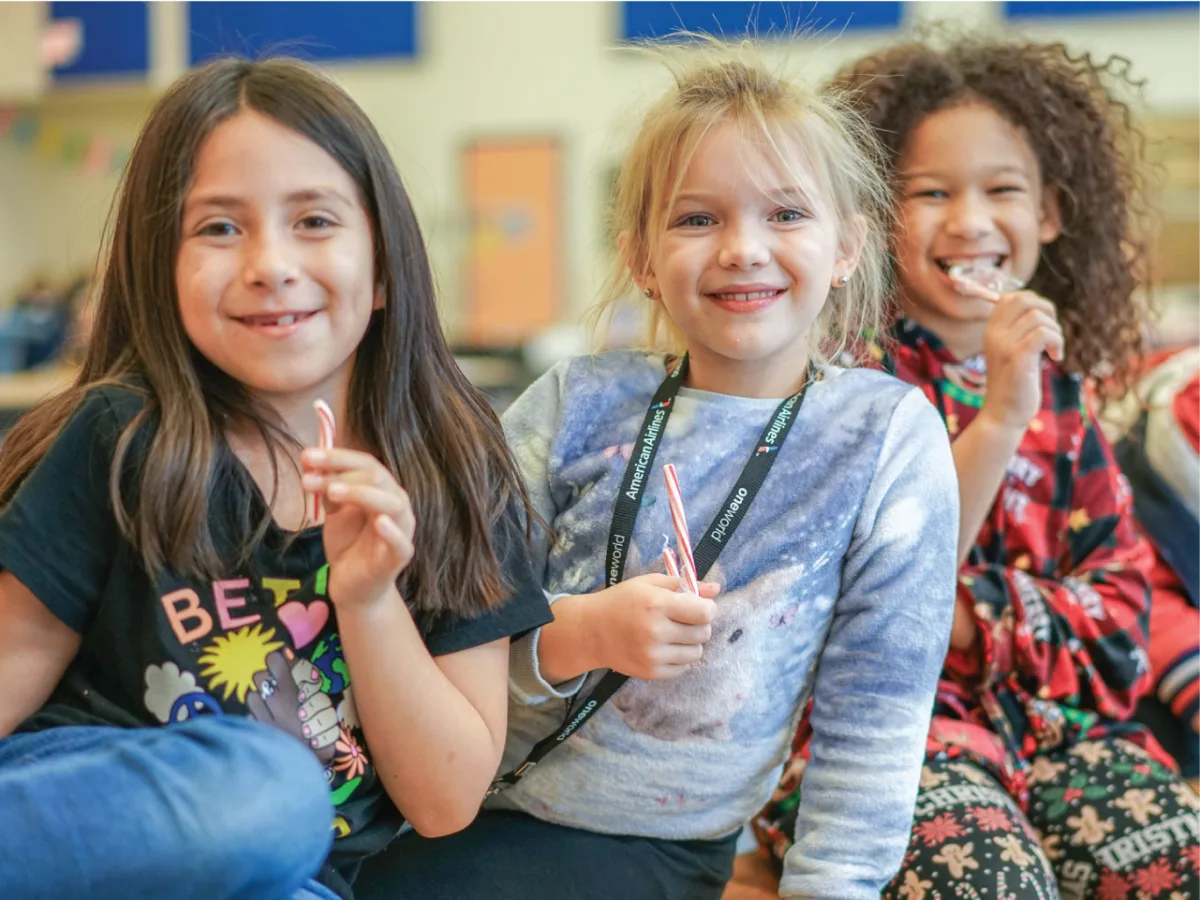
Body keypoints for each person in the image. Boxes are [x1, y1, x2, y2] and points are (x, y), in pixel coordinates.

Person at [356, 40, 960, 900]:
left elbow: (876, 716)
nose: (742, 249)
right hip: (449, 794)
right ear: (641, 256)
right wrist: (582, 635)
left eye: (786, 215)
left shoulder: (883, 435)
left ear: (848, 248)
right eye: (696, 219)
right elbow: (455, 625)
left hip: (647, 841)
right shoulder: (577, 400)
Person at [0, 56, 551, 900]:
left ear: (384, 268)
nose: (269, 263)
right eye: (219, 228)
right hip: (92, 808)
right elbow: (17, 658)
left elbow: (443, 801)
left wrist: (369, 603)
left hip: (289, 877)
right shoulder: (122, 435)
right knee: (272, 790)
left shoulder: (456, 470)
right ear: (163, 267)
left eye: (315, 221)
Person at [751, 37, 1200, 899]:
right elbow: (855, 605)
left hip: (1060, 735)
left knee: (1174, 863)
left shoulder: (1067, 397)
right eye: (931, 193)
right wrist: (999, 418)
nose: (969, 221)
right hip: (880, 740)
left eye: (1002, 191)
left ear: (1052, 214)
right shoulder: (841, 383)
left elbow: (1118, 627)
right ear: (879, 218)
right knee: (991, 883)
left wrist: (968, 616)